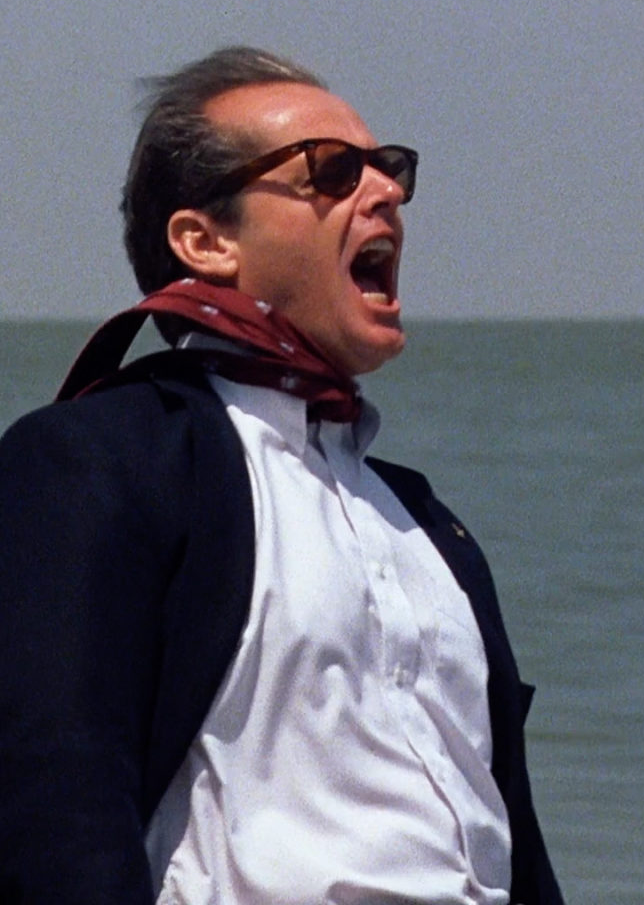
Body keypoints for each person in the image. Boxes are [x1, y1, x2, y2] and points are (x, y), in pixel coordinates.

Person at [0, 46, 564, 905]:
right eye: (332, 171)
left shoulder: (423, 522)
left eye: (388, 167)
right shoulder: (99, 460)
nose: (386, 191)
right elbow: (52, 806)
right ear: (205, 241)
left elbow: (514, 840)